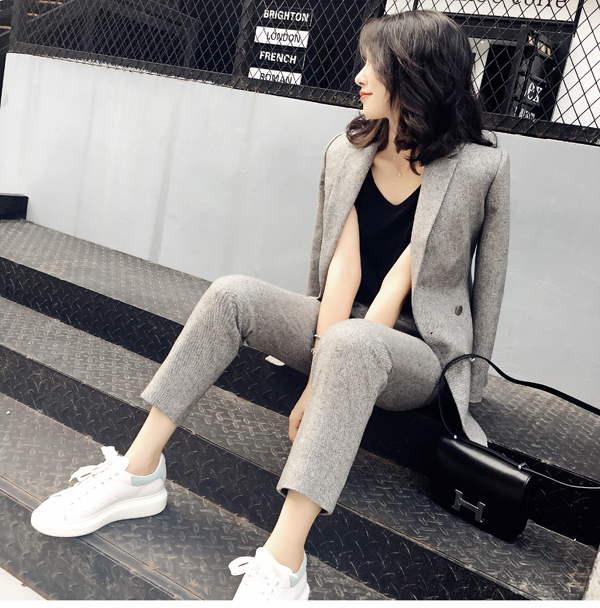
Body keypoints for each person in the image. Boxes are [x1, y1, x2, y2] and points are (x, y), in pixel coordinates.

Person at [30, 9, 509, 601]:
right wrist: (321, 364)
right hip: (340, 323)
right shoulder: (349, 149)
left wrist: (471, 384)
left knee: (354, 342)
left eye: (374, 66)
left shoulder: (479, 166)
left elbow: (451, 281)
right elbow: (346, 268)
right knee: (232, 293)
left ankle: (284, 561)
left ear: (415, 75)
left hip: (416, 350)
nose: (359, 76)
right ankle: (138, 471)